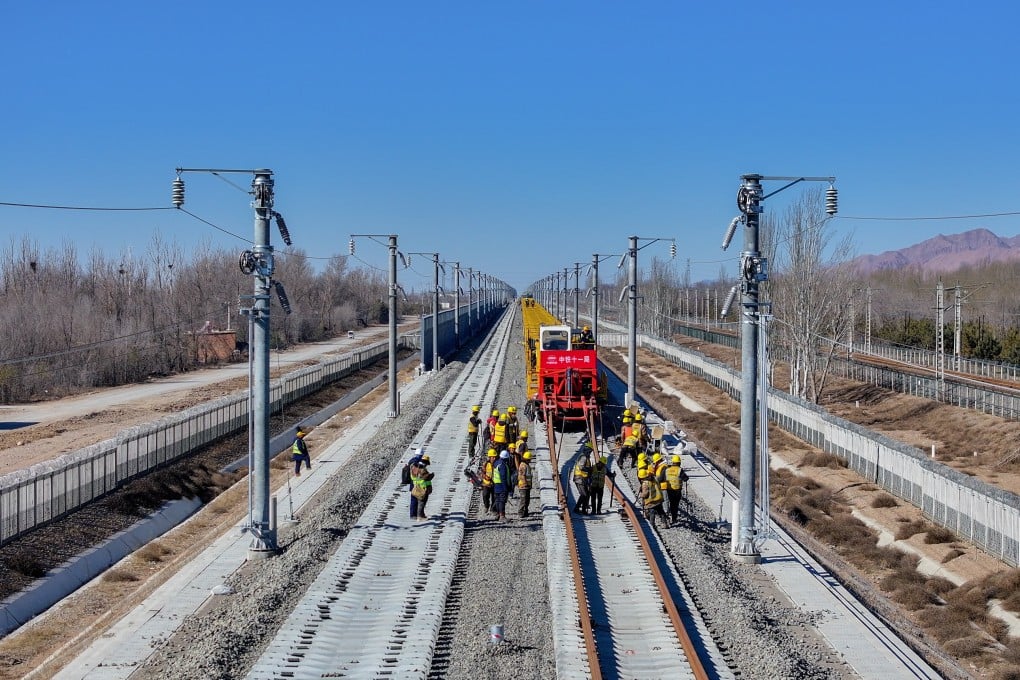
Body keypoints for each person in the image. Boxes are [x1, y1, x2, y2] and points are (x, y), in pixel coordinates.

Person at [664, 454, 688, 526]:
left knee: (670, 503)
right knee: (675, 505)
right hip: (677, 490)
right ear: (679, 463)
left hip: (669, 489)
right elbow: (685, 478)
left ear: (672, 462)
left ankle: (668, 516)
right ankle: (674, 518)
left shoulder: (667, 470)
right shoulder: (680, 470)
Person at [410, 455, 435, 520]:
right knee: (422, 502)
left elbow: (413, 477)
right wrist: (432, 475)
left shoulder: (414, 467)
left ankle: (420, 515)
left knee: (418, 501)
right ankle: (420, 516)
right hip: (423, 488)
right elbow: (426, 477)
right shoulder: (422, 469)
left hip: (416, 487)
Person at [493, 450, 513, 521]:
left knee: (498, 500)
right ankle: (502, 516)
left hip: (496, 485)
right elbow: (503, 477)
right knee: (502, 501)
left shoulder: (496, 463)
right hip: (501, 485)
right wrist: (506, 488)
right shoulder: (503, 465)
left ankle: (498, 514)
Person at [480, 448, 497, 514]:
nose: (494, 458)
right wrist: (485, 477)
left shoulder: (497, 463)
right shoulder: (486, 464)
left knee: (494, 497)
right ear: (489, 457)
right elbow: (482, 472)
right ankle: (486, 506)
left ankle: (493, 509)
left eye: (495, 457)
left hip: (495, 483)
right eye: (493, 457)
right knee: (485, 495)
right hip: (486, 483)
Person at [517, 451, 534, 518]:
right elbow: (522, 476)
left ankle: (525, 511)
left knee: (527, 500)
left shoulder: (526, 465)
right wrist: (526, 483)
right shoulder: (523, 465)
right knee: (523, 500)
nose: (530, 460)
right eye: (529, 459)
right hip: (523, 486)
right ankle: (520, 512)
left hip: (527, 486)